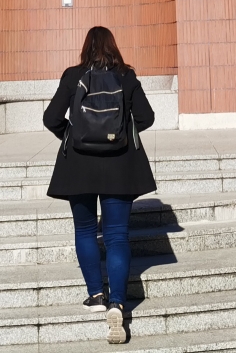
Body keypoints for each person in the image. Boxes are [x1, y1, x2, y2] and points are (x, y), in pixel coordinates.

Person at [43, 26, 156, 346]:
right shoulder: (127, 76)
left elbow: (51, 117)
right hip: (120, 164)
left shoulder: (73, 74)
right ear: (113, 46)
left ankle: (96, 294)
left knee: (84, 230)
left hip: (77, 165)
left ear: (85, 47)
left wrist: (74, 133)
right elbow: (146, 117)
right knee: (118, 235)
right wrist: (118, 131)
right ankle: (118, 303)